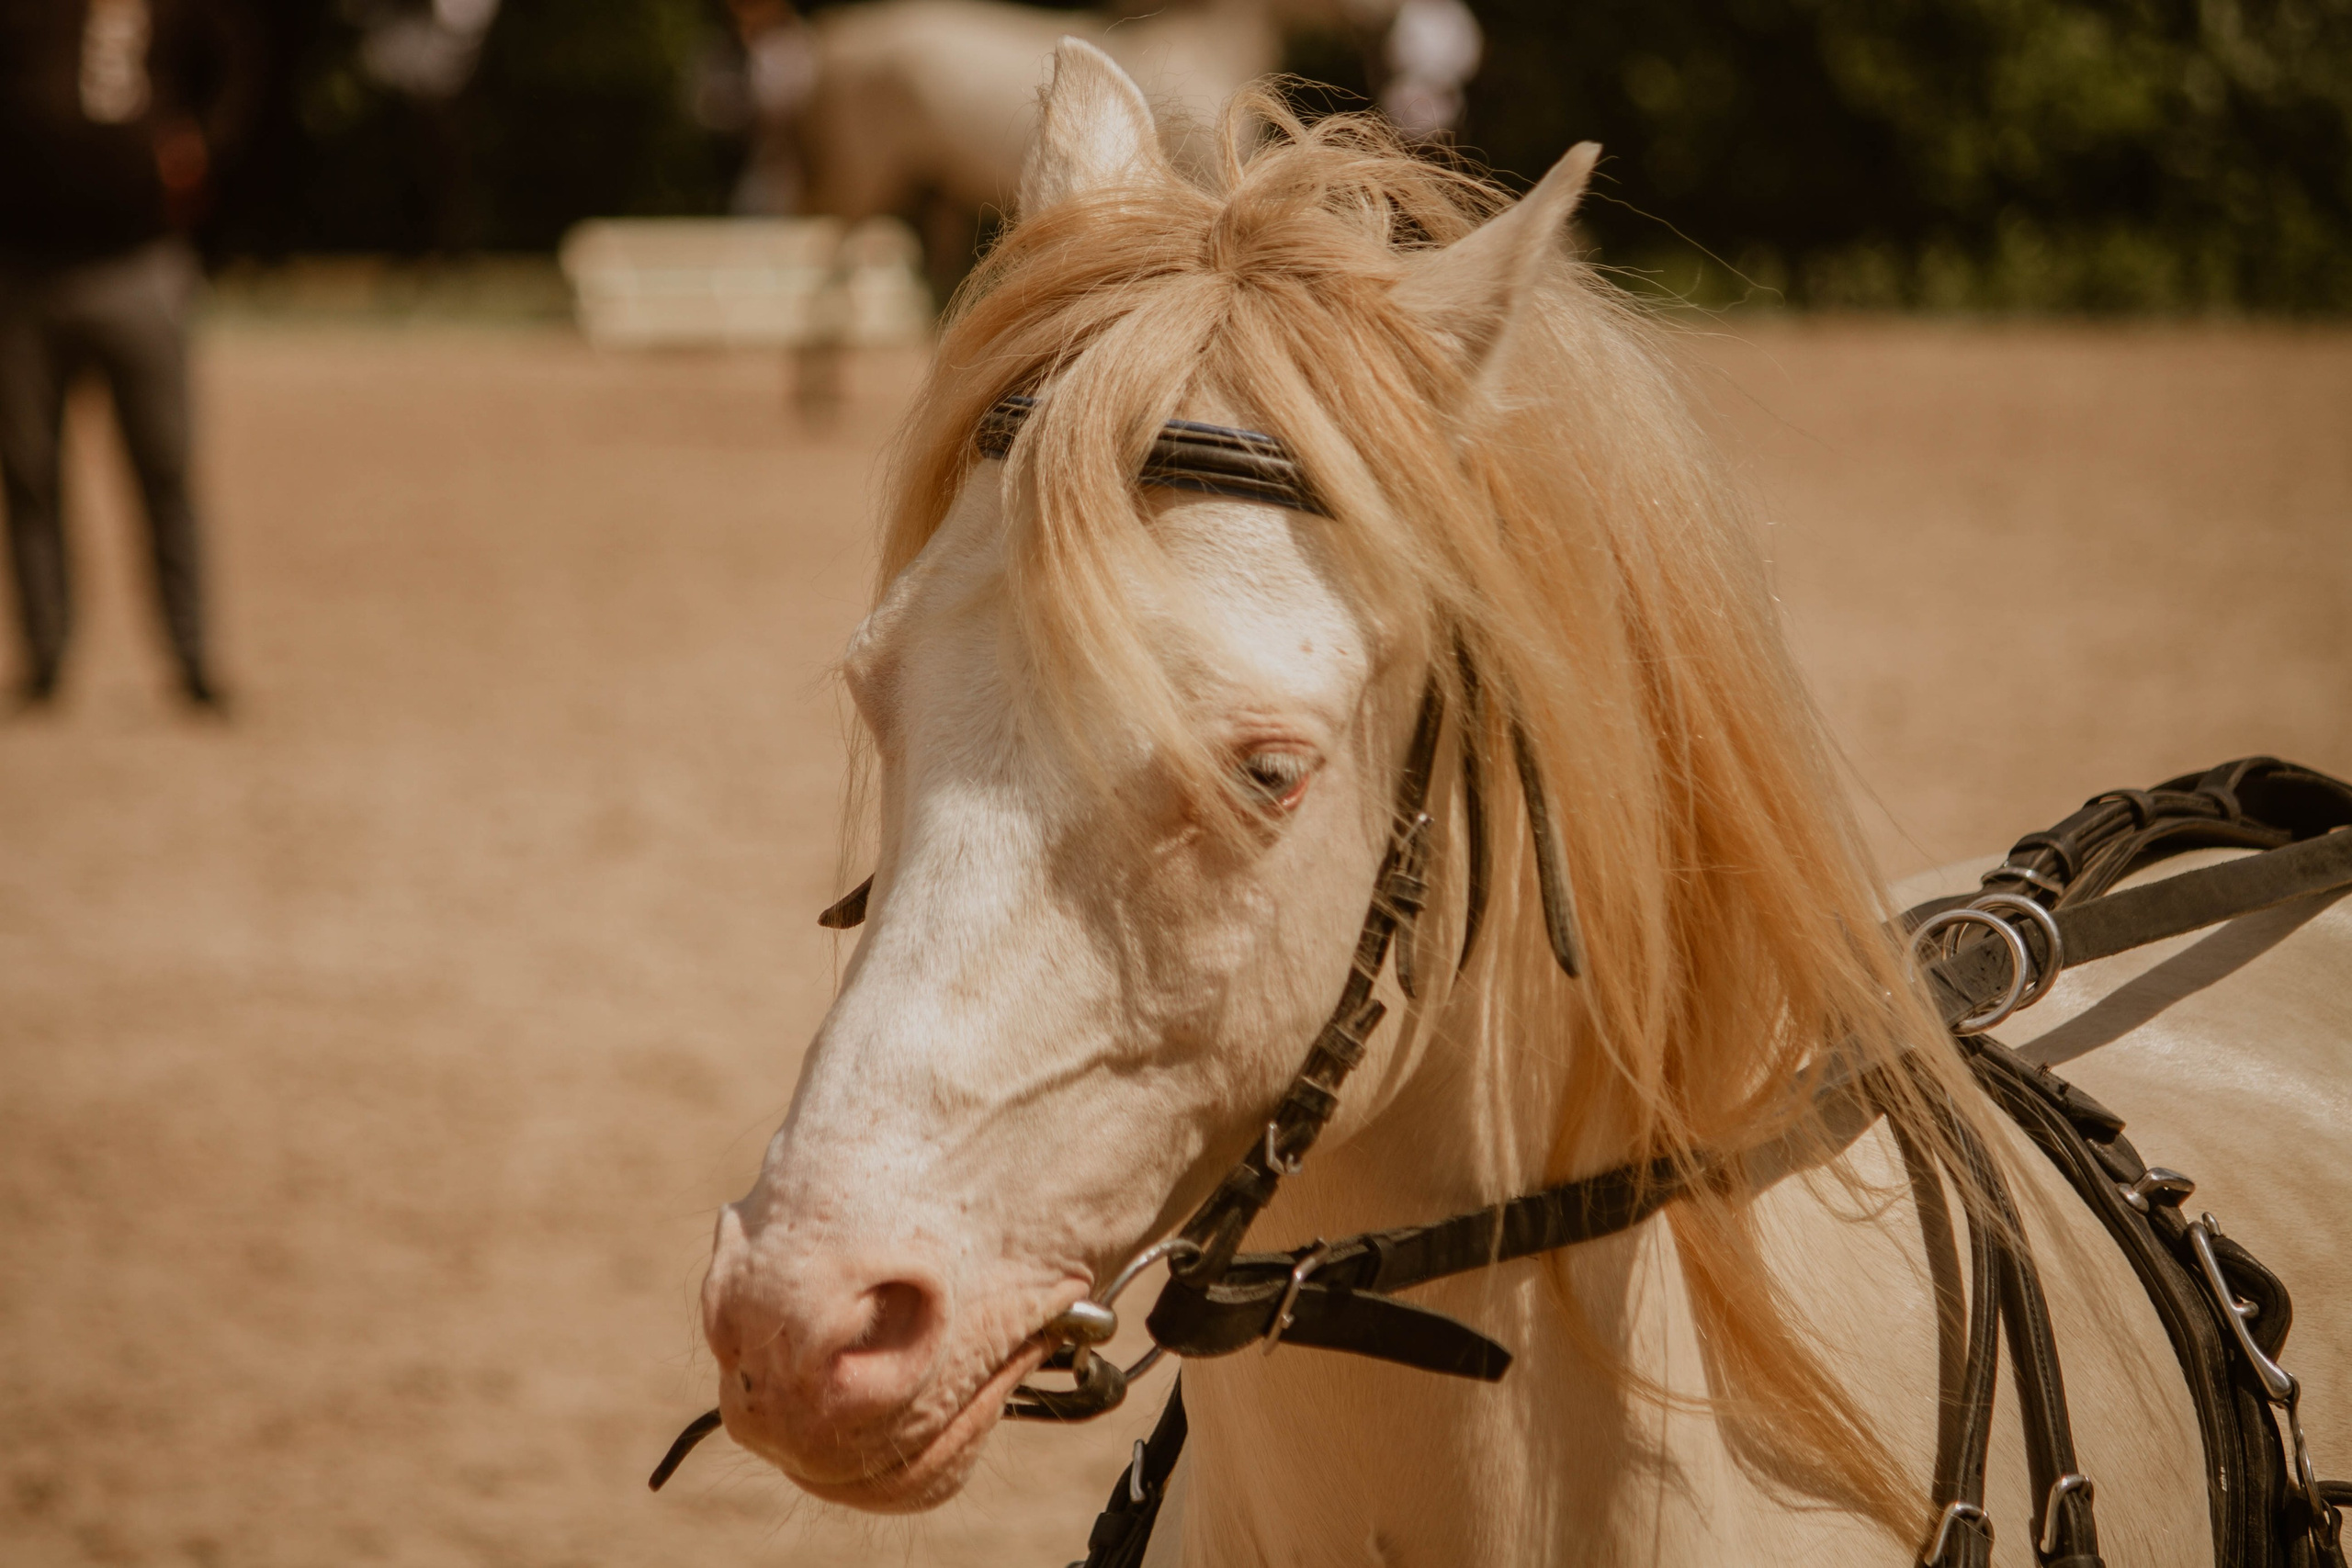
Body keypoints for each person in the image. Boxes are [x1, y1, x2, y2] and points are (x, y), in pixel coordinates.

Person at [0, 0, 262, 709]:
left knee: (165, 468)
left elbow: (235, 66)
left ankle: (192, 659)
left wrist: (203, 142)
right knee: (28, 473)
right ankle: (45, 661)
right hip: (24, 268)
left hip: (140, 262)